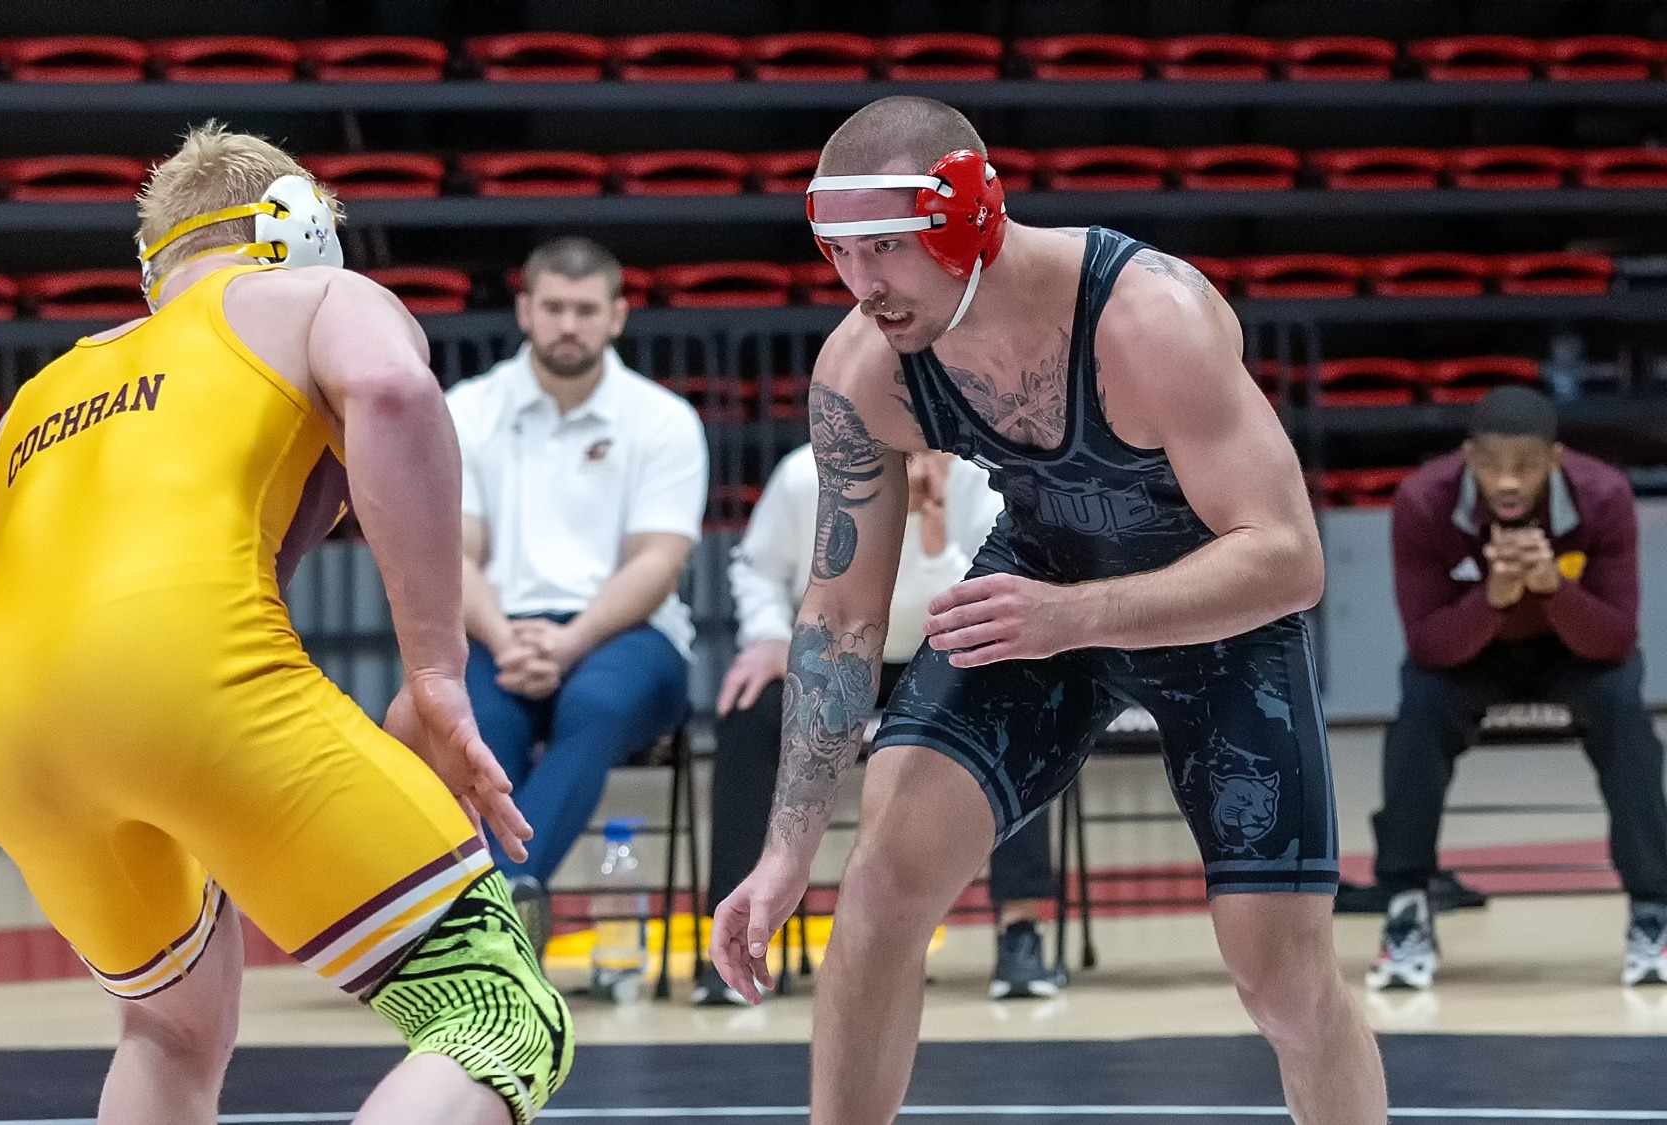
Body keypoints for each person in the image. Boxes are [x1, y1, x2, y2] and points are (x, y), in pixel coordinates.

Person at [708, 96, 1388, 1123]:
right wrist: (783, 852)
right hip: (1038, 596)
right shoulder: (864, 371)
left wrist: (1075, 615)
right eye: (840, 256)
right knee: (881, 886)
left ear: (968, 217)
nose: (862, 289)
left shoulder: (1147, 318)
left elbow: (1287, 559)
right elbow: (840, 620)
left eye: (885, 250)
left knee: (1281, 983)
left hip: (1210, 617)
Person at [0, 124, 571, 1125]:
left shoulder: (44, 390)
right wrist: (436, 675)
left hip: (0, 731)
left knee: (171, 1029)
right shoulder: (313, 296)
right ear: (301, 229)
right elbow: (393, 388)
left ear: (154, 267)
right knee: (497, 1012)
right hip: (181, 677)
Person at [697, 443, 1065, 1005]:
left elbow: (984, 601)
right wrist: (771, 638)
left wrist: (935, 530)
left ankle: (1019, 930)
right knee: (749, 711)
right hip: (836, 658)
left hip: (948, 653)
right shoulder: (805, 473)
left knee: (1018, 705)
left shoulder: (984, 478)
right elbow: (758, 569)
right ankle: (738, 939)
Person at [449, 236, 709, 949]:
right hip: (498, 629)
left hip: (628, 638)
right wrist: (506, 638)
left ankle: (488, 914)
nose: (570, 324)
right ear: (525, 310)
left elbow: (657, 563)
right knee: (477, 726)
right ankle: (508, 912)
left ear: (617, 316)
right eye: (555, 307)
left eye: (586, 309)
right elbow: (453, 553)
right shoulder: (468, 410)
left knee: (595, 702)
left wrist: (566, 644)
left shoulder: (662, 419)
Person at [1367, 385, 1667, 991]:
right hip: (1469, 651)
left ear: (1555, 460)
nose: (1507, 482)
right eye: (1493, 466)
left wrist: (1554, 588)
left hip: (1574, 650)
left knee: (1623, 710)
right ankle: (1405, 906)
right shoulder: (1424, 501)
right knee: (1417, 714)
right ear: (1467, 457)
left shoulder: (1603, 495)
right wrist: (1492, 601)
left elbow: (1614, 638)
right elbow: (1427, 643)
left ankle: (1654, 910)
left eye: (1525, 467)